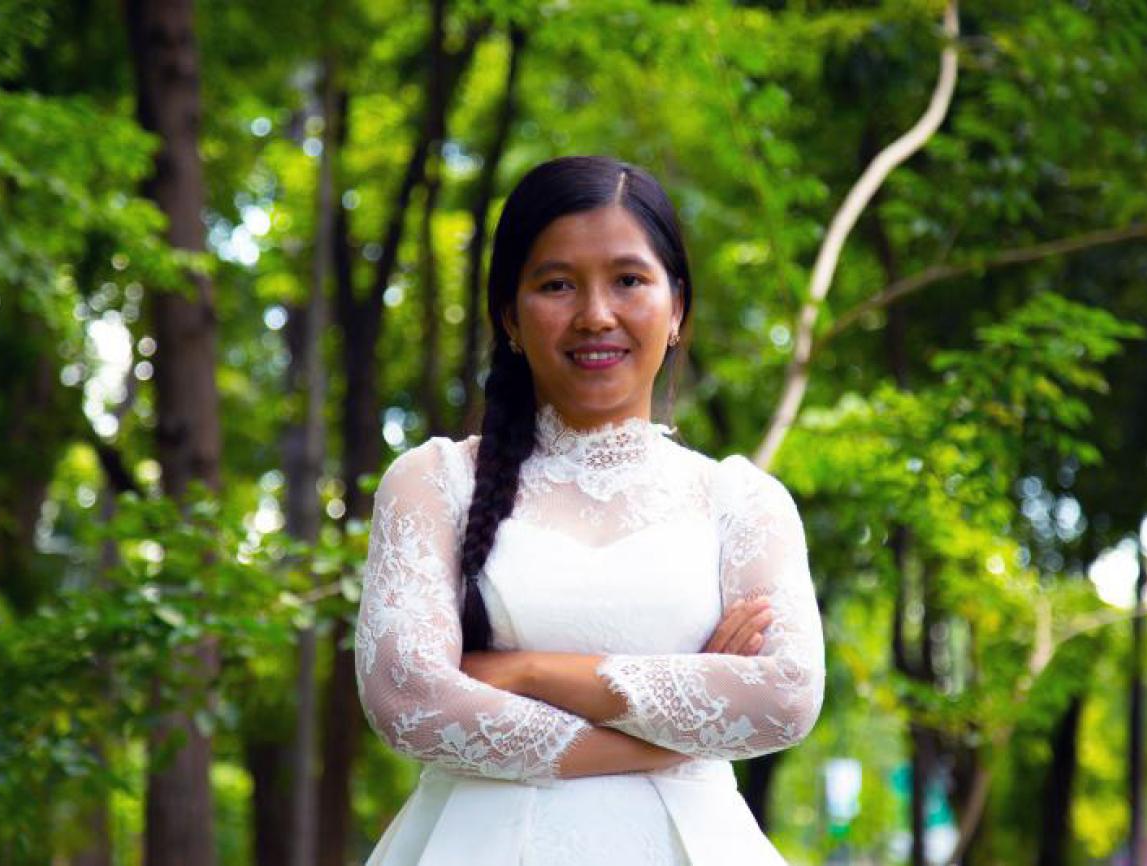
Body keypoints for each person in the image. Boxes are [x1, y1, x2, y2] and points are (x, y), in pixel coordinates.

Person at [354, 154, 825, 865]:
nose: (595, 315)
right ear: (510, 315)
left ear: (678, 310)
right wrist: (673, 731)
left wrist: (526, 671)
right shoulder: (432, 482)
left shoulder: (741, 501)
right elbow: (409, 698)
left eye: (629, 280)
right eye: (556, 284)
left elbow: (785, 695)